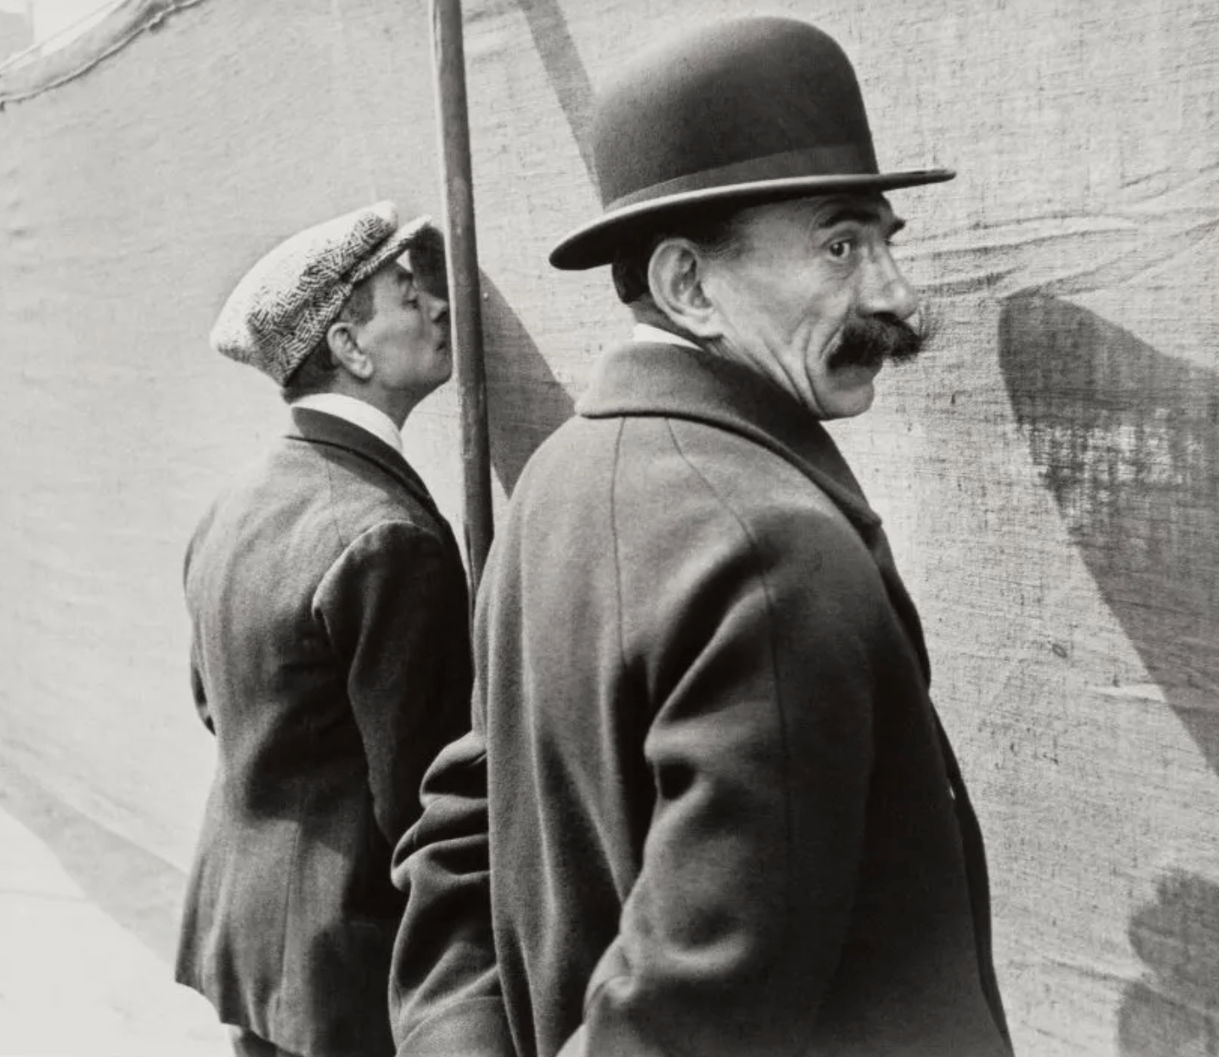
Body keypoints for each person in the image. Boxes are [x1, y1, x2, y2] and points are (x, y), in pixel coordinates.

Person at [390, 16, 1012, 1057]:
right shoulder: (775, 548)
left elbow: (463, 828)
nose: (895, 296)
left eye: (886, 243)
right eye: (839, 245)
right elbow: (696, 1010)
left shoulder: (554, 480)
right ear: (686, 285)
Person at [178, 201, 470, 1057]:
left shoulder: (236, 499)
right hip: (347, 970)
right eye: (408, 293)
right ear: (349, 345)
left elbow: (212, 702)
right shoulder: (387, 534)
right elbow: (422, 794)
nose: (440, 307)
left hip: (248, 938)